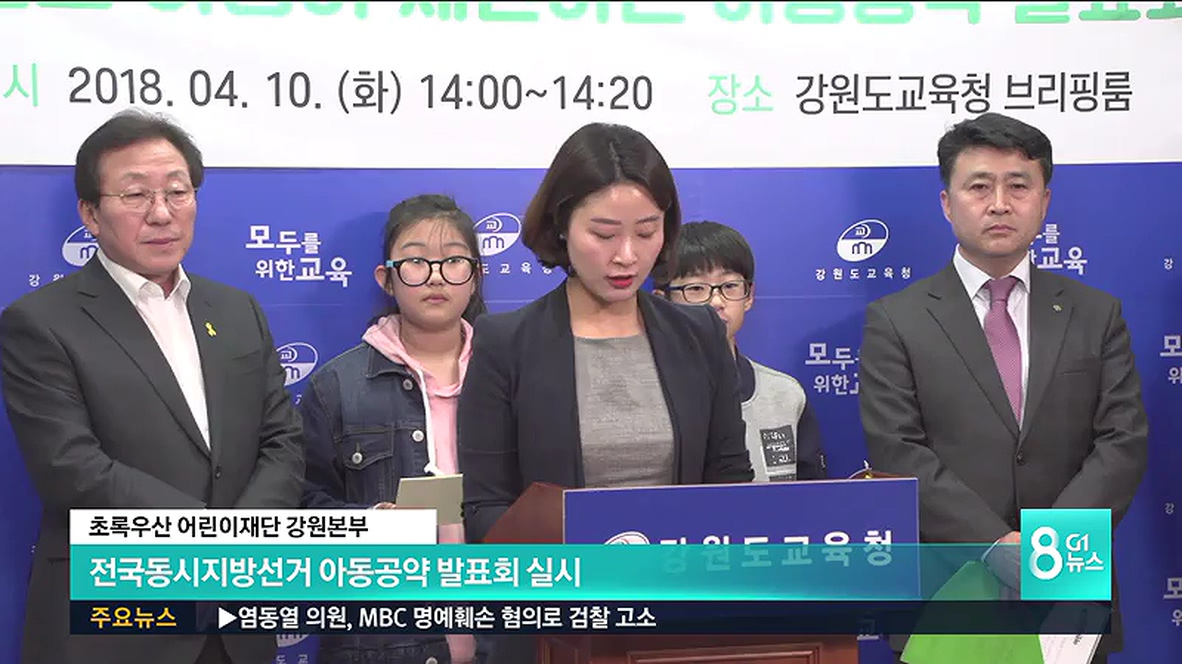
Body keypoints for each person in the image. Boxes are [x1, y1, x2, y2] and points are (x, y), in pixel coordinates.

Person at [0, 108, 305, 664]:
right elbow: (71, 468)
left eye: (177, 192)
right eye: (136, 195)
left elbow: (282, 440)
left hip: (236, 620)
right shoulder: (40, 322)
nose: (162, 213)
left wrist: (246, 535)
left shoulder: (237, 310)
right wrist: (214, 537)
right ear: (90, 213)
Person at [857, 112, 1148, 663]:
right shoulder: (896, 319)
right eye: (979, 187)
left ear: (1044, 200)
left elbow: (1123, 441)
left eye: (1018, 186)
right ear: (947, 203)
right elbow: (897, 449)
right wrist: (992, 544)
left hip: (1068, 588)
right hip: (951, 587)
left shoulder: (1096, 314)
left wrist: (1048, 549)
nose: (999, 204)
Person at [458, 120, 756, 653]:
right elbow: (486, 507)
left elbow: (728, 481)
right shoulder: (507, 343)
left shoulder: (699, 334)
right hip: (555, 625)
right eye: (603, 234)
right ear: (561, 226)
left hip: (680, 619)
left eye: (646, 231)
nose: (627, 256)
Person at [300, 194, 488, 664]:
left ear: (476, 275)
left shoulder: (511, 374)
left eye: (454, 261)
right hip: (383, 641)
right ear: (387, 278)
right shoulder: (337, 386)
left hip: (506, 634)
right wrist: (368, 523)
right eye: (416, 262)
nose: (436, 277)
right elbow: (301, 505)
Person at [653, 220, 827, 481]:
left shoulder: (785, 394)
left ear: (749, 296)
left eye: (729, 286)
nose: (716, 301)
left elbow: (813, 495)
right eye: (696, 288)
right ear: (661, 301)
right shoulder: (647, 393)